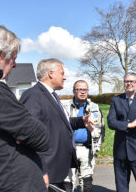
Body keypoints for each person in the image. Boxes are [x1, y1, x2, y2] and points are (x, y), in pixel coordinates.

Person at [0, 23, 49, 191]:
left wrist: (19, 134)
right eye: (13, 58)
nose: (14, 65)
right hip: (7, 185)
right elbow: (41, 138)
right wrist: (23, 134)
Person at [19, 58, 93, 192]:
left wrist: (81, 121)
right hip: (46, 167)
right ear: (51, 74)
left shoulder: (52, 95)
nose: (64, 77)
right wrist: (41, 169)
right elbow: (29, 134)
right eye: (62, 73)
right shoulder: (34, 95)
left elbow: (58, 121)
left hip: (55, 168)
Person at [62, 80, 105, 192]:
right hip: (69, 149)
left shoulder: (94, 107)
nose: (82, 92)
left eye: (85, 89)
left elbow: (102, 128)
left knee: (87, 181)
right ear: (73, 91)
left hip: (87, 149)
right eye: (79, 89)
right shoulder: (64, 106)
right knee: (67, 180)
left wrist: (96, 145)